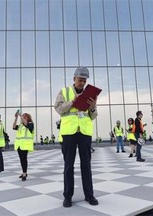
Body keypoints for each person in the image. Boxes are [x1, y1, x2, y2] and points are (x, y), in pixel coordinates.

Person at [55, 66, 98, 208]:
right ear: (74, 79)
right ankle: (67, 196)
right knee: (69, 166)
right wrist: (73, 101)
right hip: (69, 133)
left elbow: (92, 116)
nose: (82, 83)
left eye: (84, 81)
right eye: (80, 80)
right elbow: (59, 109)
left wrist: (92, 106)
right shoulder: (64, 92)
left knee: (86, 165)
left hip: (84, 133)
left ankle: (89, 195)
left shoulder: (89, 94)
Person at [13, 111, 34, 181]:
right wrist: (16, 118)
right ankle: (24, 172)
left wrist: (21, 116)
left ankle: (24, 173)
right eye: (23, 116)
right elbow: (13, 127)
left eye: (25, 116)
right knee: (21, 159)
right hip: (19, 145)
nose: (23, 117)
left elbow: (27, 124)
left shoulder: (31, 124)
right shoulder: (21, 125)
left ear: (28, 118)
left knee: (24, 159)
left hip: (25, 145)